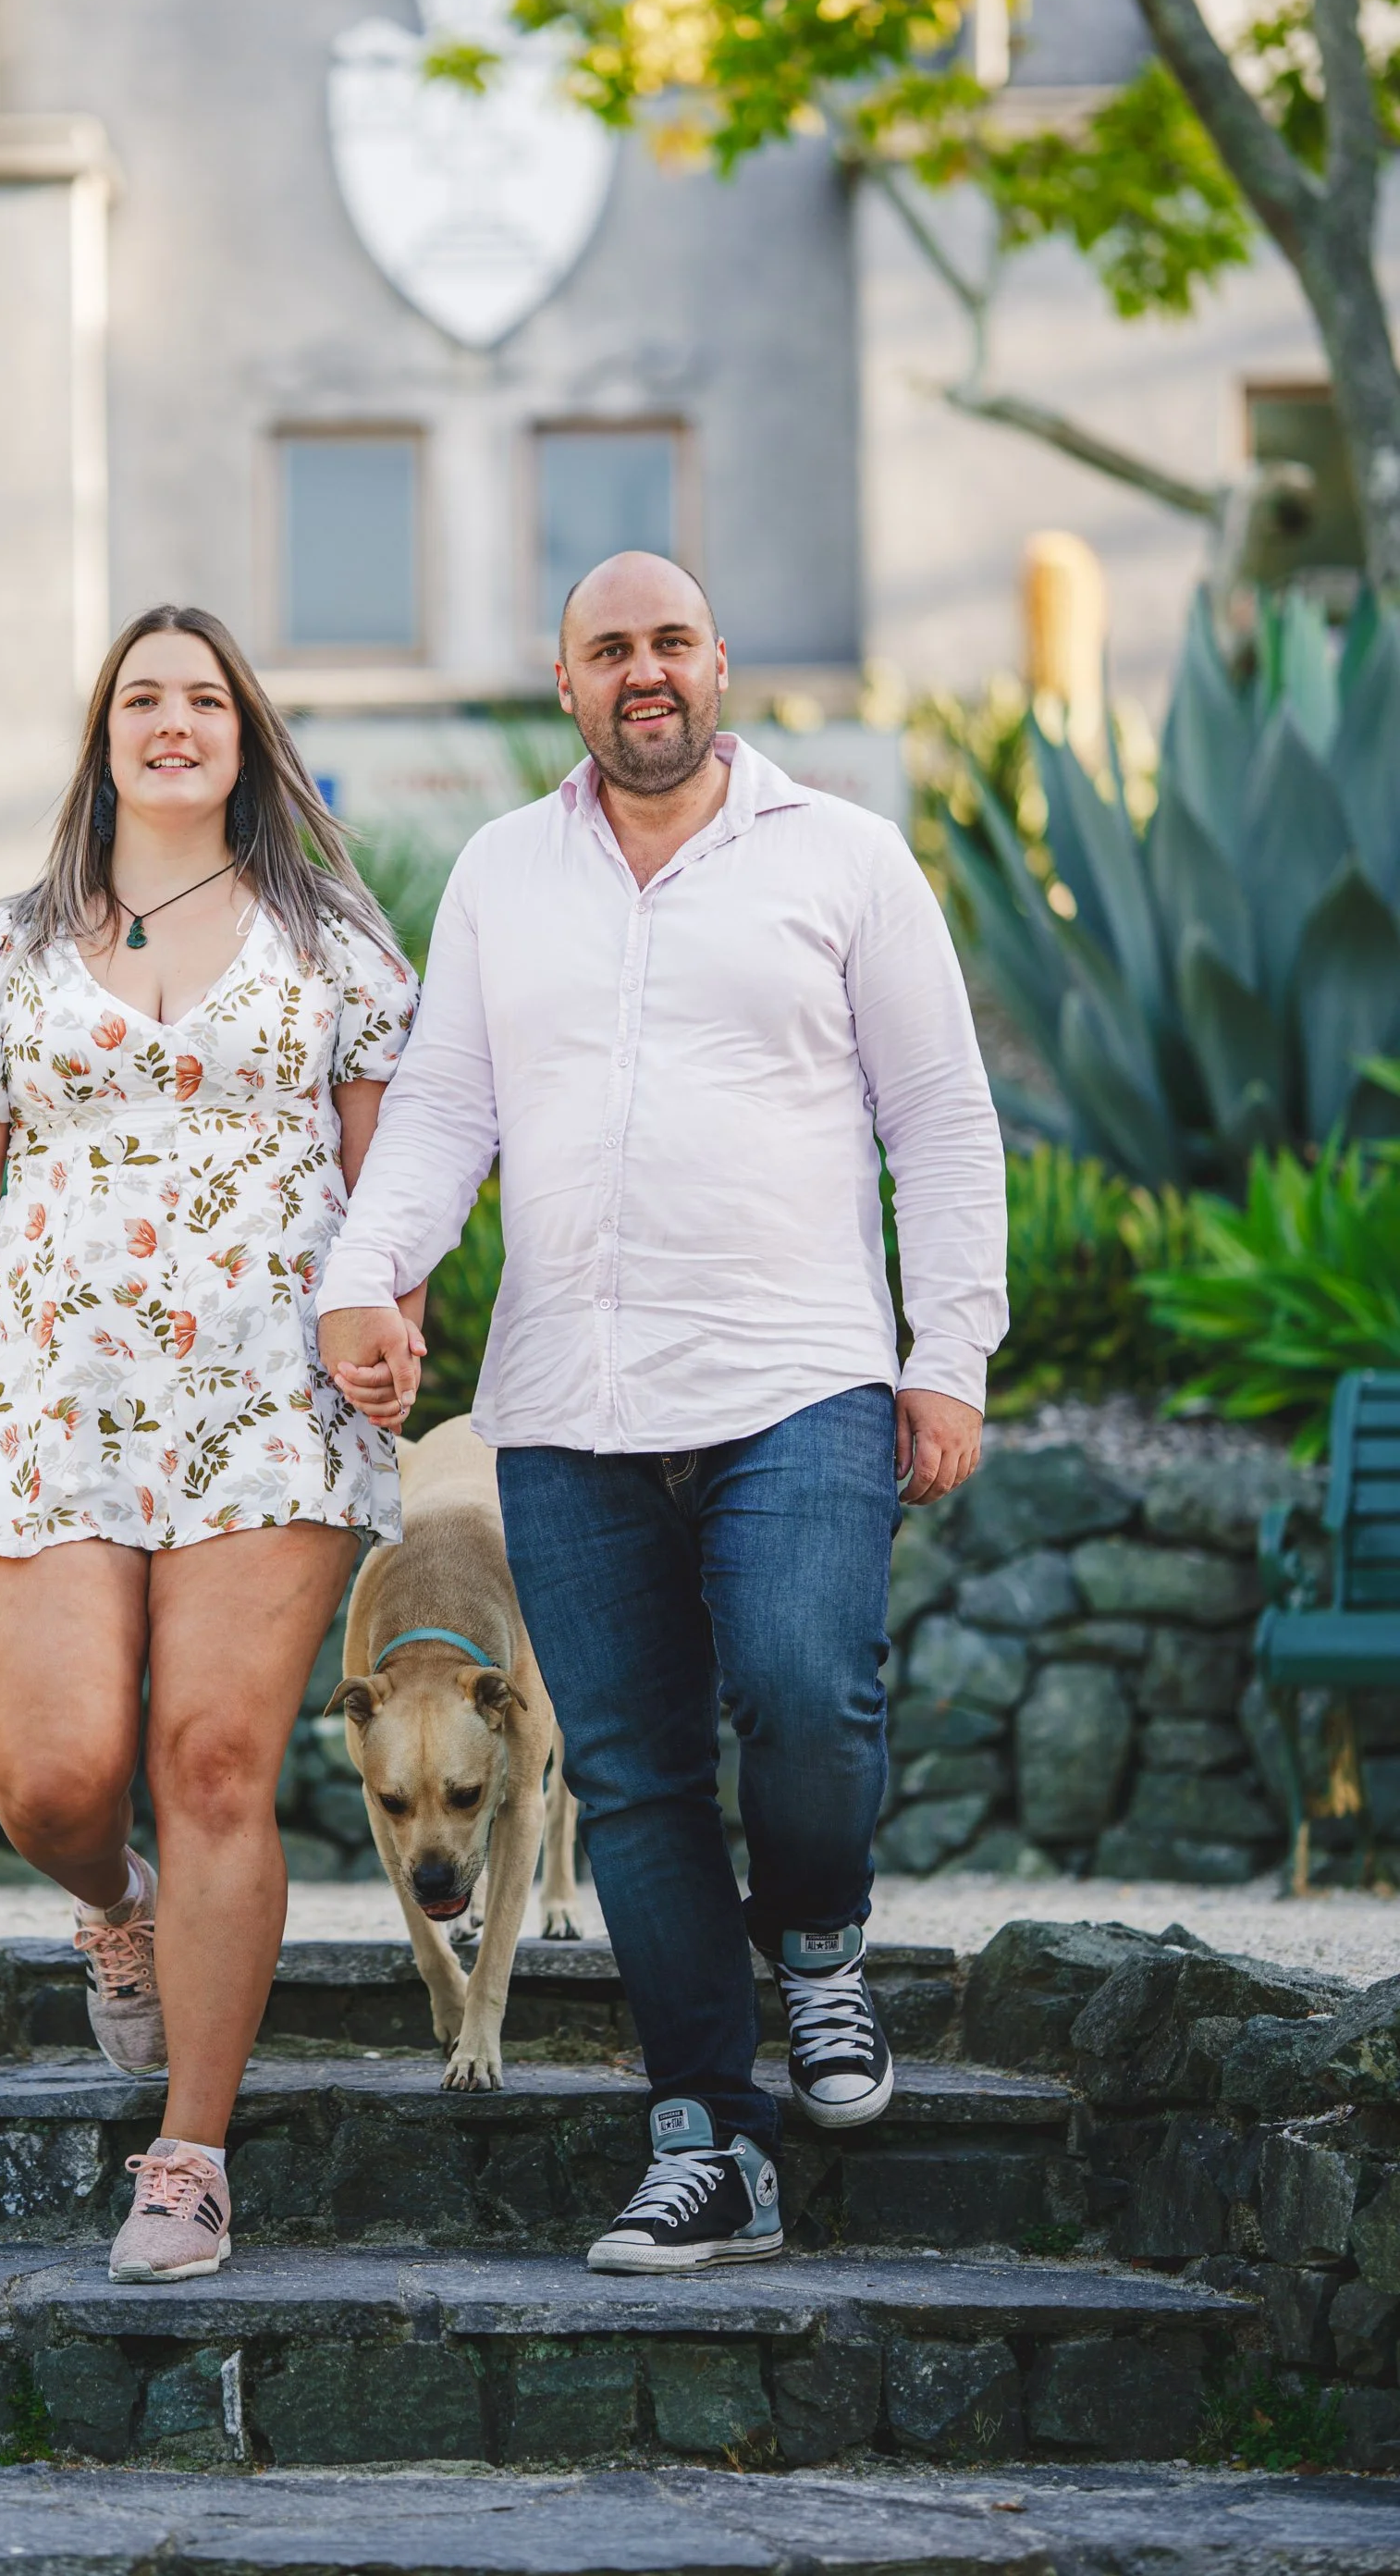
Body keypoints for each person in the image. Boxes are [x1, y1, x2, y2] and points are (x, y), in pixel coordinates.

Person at [318, 551, 1006, 2276]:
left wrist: (952, 1352)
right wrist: (366, 1271)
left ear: (719, 668)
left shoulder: (843, 857)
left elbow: (942, 1117)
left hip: (801, 1379)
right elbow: (444, 1107)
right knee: (628, 1787)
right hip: (568, 1406)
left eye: (673, 641)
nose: (645, 671)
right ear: (566, 685)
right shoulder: (500, 874)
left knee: (801, 1693)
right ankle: (710, 2137)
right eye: (608, 647)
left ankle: (823, 1947)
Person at [0, 603, 420, 2285]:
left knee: (217, 1764)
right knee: (52, 1783)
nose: (173, 723)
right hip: (46, 1396)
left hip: (268, 1401)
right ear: (102, 737)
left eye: (205, 699)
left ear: (247, 734)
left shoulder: (333, 934)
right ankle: (115, 1907)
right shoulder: (9, 943)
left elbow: (397, 1169)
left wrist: (392, 1316)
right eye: (140, 699)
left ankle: (187, 2156)